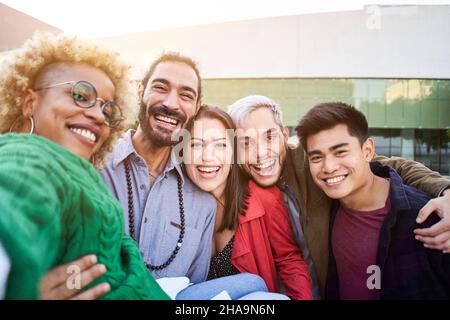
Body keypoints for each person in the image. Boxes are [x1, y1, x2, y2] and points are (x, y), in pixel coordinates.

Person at [227, 95, 450, 298]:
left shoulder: (313, 163)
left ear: (285, 135)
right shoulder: (232, 180)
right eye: (246, 143)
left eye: (269, 137)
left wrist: (446, 191)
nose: (261, 153)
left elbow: (387, 165)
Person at [0, 32, 169, 300]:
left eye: (108, 109)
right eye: (81, 94)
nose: (97, 115)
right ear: (29, 102)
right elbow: (15, 202)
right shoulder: (28, 157)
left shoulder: (80, 177)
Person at [296, 102, 449, 299]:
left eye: (340, 152)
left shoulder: (428, 218)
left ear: (367, 151)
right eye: (316, 157)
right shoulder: (326, 207)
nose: (329, 167)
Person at [100, 53, 216, 284]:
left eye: (186, 95)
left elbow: (194, 289)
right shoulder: (94, 164)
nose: (171, 104)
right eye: (161, 87)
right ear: (140, 92)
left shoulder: (203, 204)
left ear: (196, 107)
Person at [182, 105, 313, 300]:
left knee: (256, 286)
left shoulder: (263, 198)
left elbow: (289, 260)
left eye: (220, 145)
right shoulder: (178, 199)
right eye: (196, 145)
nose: (208, 157)